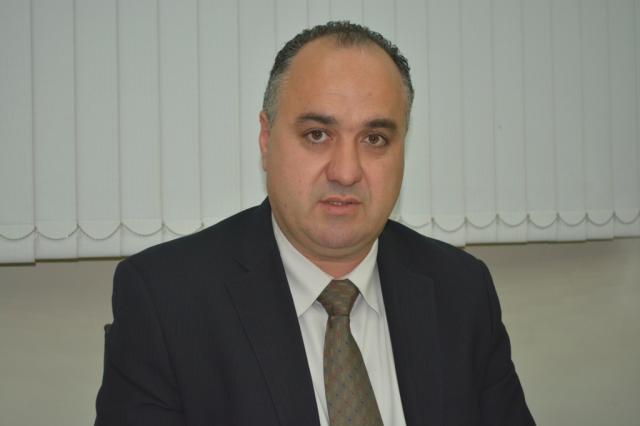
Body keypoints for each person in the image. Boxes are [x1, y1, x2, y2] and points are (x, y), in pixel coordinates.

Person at [96, 21, 534, 426]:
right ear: (266, 138)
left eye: (375, 139)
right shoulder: (166, 301)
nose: (346, 171)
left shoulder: (461, 291)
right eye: (317, 135)